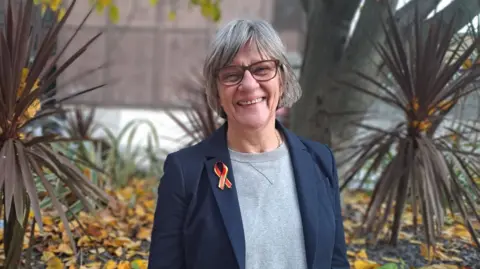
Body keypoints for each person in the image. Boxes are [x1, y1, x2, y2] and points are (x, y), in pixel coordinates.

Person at [148, 19, 350, 269]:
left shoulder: (320, 161)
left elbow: (335, 261)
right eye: (232, 75)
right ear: (217, 92)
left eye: (262, 69)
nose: (249, 85)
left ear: (282, 79)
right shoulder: (185, 172)